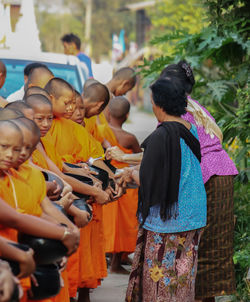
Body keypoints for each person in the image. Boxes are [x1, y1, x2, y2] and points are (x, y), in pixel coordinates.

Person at [160, 60, 238, 302]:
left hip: (207, 178)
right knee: (212, 245)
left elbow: (169, 154)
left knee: (197, 244)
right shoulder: (196, 107)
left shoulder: (173, 111)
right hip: (221, 175)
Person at [125, 78, 207, 302]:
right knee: (183, 274)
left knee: (159, 277)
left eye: (152, 101)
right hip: (193, 214)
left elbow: (151, 181)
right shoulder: (191, 129)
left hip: (168, 219)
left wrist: (130, 174)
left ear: (159, 104)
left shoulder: (161, 136)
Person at [99, 96, 141, 274]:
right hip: (126, 185)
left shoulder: (100, 132)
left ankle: (109, 258)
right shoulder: (129, 138)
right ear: (127, 115)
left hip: (106, 182)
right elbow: (140, 156)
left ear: (107, 113)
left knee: (107, 224)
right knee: (124, 224)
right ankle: (116, 261)